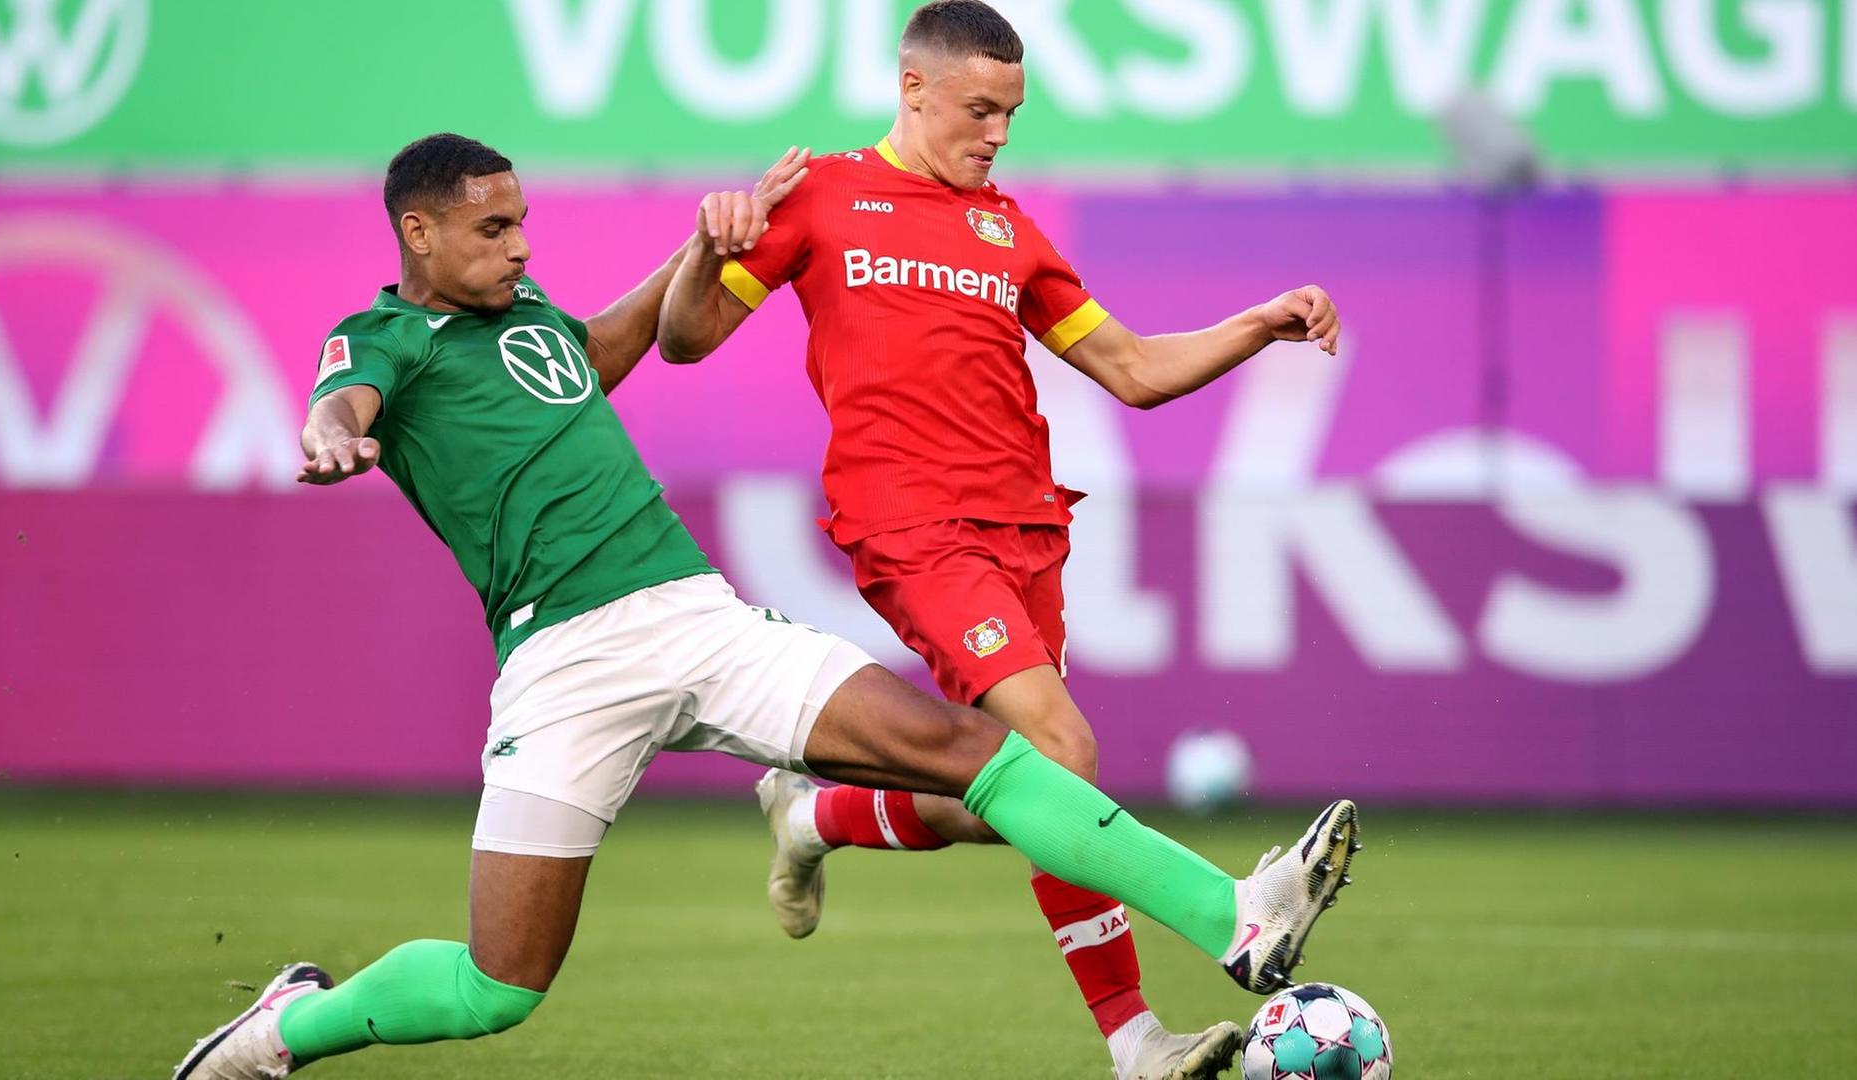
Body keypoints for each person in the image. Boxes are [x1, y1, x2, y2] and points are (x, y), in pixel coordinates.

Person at [170, 133, 1358, 1080]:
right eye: (493, 228)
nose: (519, 245)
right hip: (563, 664)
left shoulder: (532, 323)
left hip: (696, 615)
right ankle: (288, 1032)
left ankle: (1235, 917)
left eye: (525, 221)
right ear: (416, 232)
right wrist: (332, 443)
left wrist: (700, 243)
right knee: (500, 985)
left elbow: (612, 345)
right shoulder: (382, 335)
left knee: (966, 747)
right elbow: (343, 407)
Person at [656, 4, 1349, 1078]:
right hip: (911, 528)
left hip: (1027, 529)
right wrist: (708, 249)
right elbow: (685, 338)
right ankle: (1224, 930)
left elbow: (1132, 370)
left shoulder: (1008, 229)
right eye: (979, 109)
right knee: (1065, 755)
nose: (997, 133)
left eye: (1012, 114)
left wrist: (1257, 323)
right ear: (912, 87)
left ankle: (820, 816)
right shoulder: (822, 199)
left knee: (1021, 789)